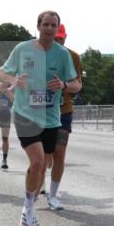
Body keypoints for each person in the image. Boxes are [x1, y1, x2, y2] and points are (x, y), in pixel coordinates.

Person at [0, 10, 81, 226]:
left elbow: (76, 85)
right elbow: (2, 72)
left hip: (51, 117)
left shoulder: (63, 54)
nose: (49, 28)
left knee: (43, 165)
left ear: (58, 28)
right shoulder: (23, 49)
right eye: (46, 24)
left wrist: (64, 85)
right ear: (38, 26)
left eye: (53, 25)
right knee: (36, 162)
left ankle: (30, 208)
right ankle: (27, 210)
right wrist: (14, 79)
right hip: (25, 113)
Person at [41, 24, 83, 210]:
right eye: (55, 38)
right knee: (43, 155)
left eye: (61, 38)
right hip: (40, 112)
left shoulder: (72, 56)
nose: (58, 41)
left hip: (63, 111)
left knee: (59, 153)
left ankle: (53, 195)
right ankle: (38, 181)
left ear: (65, 38)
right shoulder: (36, 53)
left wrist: (64, 85)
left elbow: (78, 86)